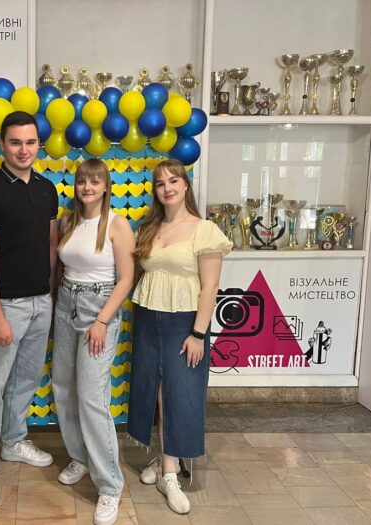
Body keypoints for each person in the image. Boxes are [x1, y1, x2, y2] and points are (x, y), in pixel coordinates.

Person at [127, 159, 231, 515]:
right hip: (147, 316)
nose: (167, 188)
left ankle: (170, 475)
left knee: (180, 392)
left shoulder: (205, 230)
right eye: (160, 183)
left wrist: (198, 334)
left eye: (173, 181)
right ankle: (164, 459)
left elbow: (210, 287)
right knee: (154, 389)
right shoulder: (150, 228)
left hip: (185, 322)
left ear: (186, 185)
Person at [0, 111, 59, 507]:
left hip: (41, 303)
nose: (24, 150)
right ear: (2, 145)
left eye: (30, 142)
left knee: (25, 380)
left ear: (39, 145)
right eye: (16, 142)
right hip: (5, 304)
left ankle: (13, 441)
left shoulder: (47, 189)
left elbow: (51, 245)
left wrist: (48, 295)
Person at [52, 159, 135, 525]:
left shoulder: (117, 224)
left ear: (105, 187)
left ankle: (110, 485)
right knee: (63, 387)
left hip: (98, 307)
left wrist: (102, 321)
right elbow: (61, 268)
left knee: (91, 397)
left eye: (94, 181)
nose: (87, 187)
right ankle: (80, 458)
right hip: (65, 302)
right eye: (82, 181)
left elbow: (126, 278)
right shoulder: (68, 222)